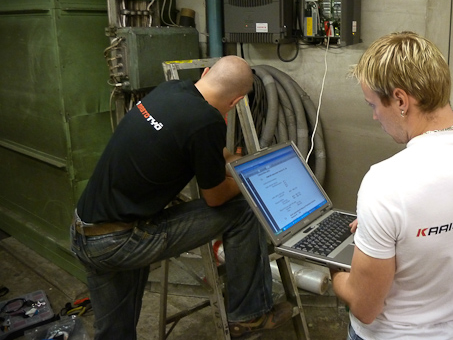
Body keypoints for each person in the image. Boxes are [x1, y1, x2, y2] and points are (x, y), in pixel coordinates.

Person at [70, 55, 292, 339]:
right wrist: (250, 180)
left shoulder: (170, 90)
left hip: (86, 230)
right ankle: (249, 315)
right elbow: (215, 198)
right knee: (245, 209)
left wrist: (237, 164)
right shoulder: (208, 122)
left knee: (115, 333)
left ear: (206, 72)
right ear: (236, 101)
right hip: (123, 241)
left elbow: (211, 150)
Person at [331, 32, 453, 340]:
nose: (374, 116)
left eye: (373, 105)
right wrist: (386, 231)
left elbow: (364, 307)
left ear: (400, 100)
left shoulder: (386, 183)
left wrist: (333, 268)